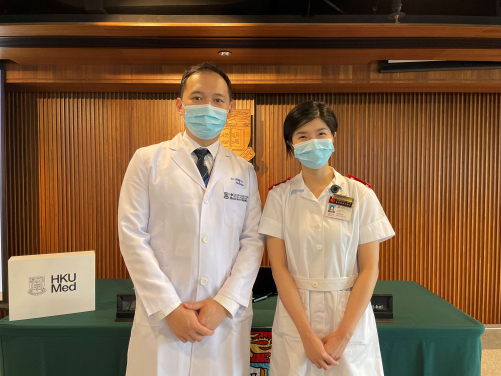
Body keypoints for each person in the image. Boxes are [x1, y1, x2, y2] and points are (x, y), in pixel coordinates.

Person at [118, 62, 265, 376]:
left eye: (217, 100)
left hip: (222, 322)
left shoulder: (244, 171)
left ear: (230, 108)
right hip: (164, 320)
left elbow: (252, 242)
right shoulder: (147, 160)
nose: (208, 107)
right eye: (197, 98)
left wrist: (224, 303)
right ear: (180, 105)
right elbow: (132, 236)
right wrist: (168, 307)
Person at [258, 101, 395, 375]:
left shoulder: (360, 194)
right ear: (291, 144)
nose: (313, 142)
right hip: (297, 318)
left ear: (334, 137)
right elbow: (280, 268)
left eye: (321, 133)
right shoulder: (279, 197)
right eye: (302, 136)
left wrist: (344, 335)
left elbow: (369, 269)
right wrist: (307, 336)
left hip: (348, 315)